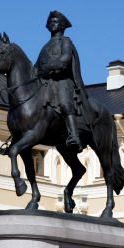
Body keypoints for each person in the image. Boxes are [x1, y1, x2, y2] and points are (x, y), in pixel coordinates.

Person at [34, 11, 92, 152]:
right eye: (50, 21)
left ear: (62, 26)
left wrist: (48, 67)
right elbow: (37, 66)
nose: (52, 23)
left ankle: (74, 136)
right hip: (46, 82)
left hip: (62, 81)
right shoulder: (45, 46)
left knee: (65, 104)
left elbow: (64, 61)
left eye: (55, 21)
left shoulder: (66, 42)